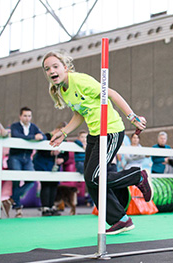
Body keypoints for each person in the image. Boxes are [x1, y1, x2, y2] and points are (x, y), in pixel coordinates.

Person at [42, 50, 151, 235]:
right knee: (90, 179)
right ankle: (120, 219)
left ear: (65, 67)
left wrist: (131, 116)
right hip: (95, 133)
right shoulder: (62, 90)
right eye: (47, 69)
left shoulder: (80, 80)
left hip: (110, 130)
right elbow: (80, 113)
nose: (51, 71)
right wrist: (64, 132)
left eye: (55, 66)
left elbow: (112, 94)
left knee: (94, 177)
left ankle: (137, 177)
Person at [6, 107, 45, 218]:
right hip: (15, 157)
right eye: (25, 116)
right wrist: (33, 137)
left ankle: (11, 199)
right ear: (20, 116)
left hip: (27, 158)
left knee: (31, 180)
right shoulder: (15, 126)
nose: (27, 118)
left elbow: (43, 136)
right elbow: (17, 136)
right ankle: (18, 209)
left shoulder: (34, 127)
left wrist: (41, 137)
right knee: (16, 181)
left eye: (29, 116)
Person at [34, 122, 70, 216]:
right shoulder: (46, 136)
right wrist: (51, 153)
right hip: (43, 163)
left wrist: (62, 159)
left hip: (55, 165)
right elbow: (40, 150)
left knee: (54, 184)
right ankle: (45, 207)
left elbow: (66, 154)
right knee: (46, 184)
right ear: (58, 129)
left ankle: (51, 206)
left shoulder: (64, 140)